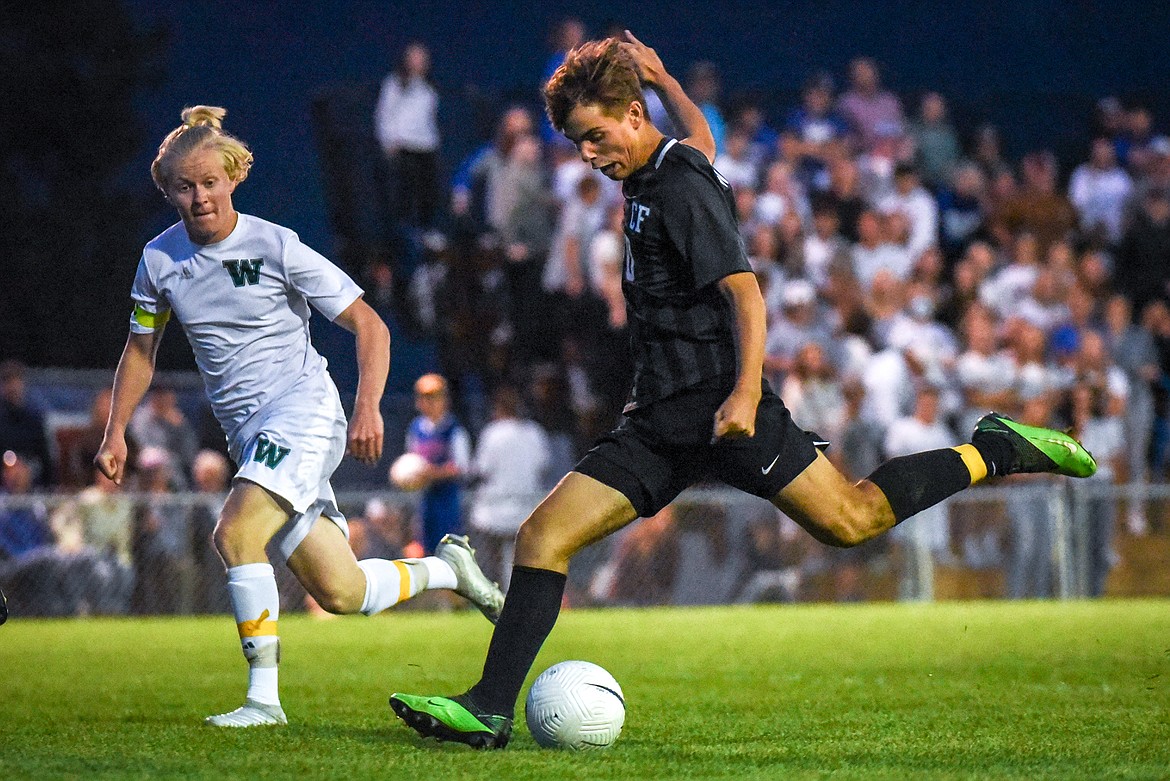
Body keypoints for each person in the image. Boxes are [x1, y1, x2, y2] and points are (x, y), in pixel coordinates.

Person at [389, 32, 1098, 750]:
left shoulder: (681, 186)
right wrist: (666, 80)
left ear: (632, 115)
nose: (589, 157)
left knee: (852, 519)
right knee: (544, 534)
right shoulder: (666, 161)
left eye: (596, 137)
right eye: (577, 144)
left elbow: (747, 296)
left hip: (722, 409)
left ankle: (995, 450)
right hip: (659, 420)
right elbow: (697, 132)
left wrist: (745, 392)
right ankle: (489, 707)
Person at [94, 106, 503, 727]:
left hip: (304, 413)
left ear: (233, 176)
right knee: (342, 592)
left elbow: (369, 323)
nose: (199, 197)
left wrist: (366, 406)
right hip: (249, 437)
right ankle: (449, 568)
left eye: (210, 182)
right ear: (167, 188)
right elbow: (141, 352)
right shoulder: (159, 260)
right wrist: (115, 429)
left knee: (234, 533)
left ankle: (263, 702)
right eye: (185, 186)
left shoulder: (275, 244)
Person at [374, 41, 441, 232]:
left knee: (428, 193)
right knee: (404, 193)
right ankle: (403, 234)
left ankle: (426, 232)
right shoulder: (395, 83)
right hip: (404, 146)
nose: (419, 62)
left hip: (426, 147)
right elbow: (384, 113)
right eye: (415, 57)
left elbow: (429, 117)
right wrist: (388, 141)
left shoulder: (429, 87)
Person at [404, 373, 472, 554]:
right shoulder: (416, 428)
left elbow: (461, 467)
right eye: (424, 398)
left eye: (434, 397)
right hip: (424, 501)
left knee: (448, 551)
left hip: (447, 503)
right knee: (425, 550)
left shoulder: (454, 430)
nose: (429, 403)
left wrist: (431, 473)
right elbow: (411, 460)